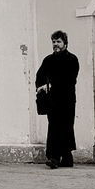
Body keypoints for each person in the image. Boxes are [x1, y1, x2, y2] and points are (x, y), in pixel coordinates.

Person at [35, 30, 79, 168]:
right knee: (54, 127)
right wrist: (42, 86)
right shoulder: (48, 60)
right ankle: (54, 158)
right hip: (52, 100)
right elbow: (40, 75)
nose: (56, 44)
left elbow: (71, 79)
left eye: (58, 42)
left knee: (66, 127)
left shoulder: (72, 59)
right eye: (54, 42)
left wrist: (53, 82)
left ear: (65, 43)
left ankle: (66, 157)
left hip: (67, 99)